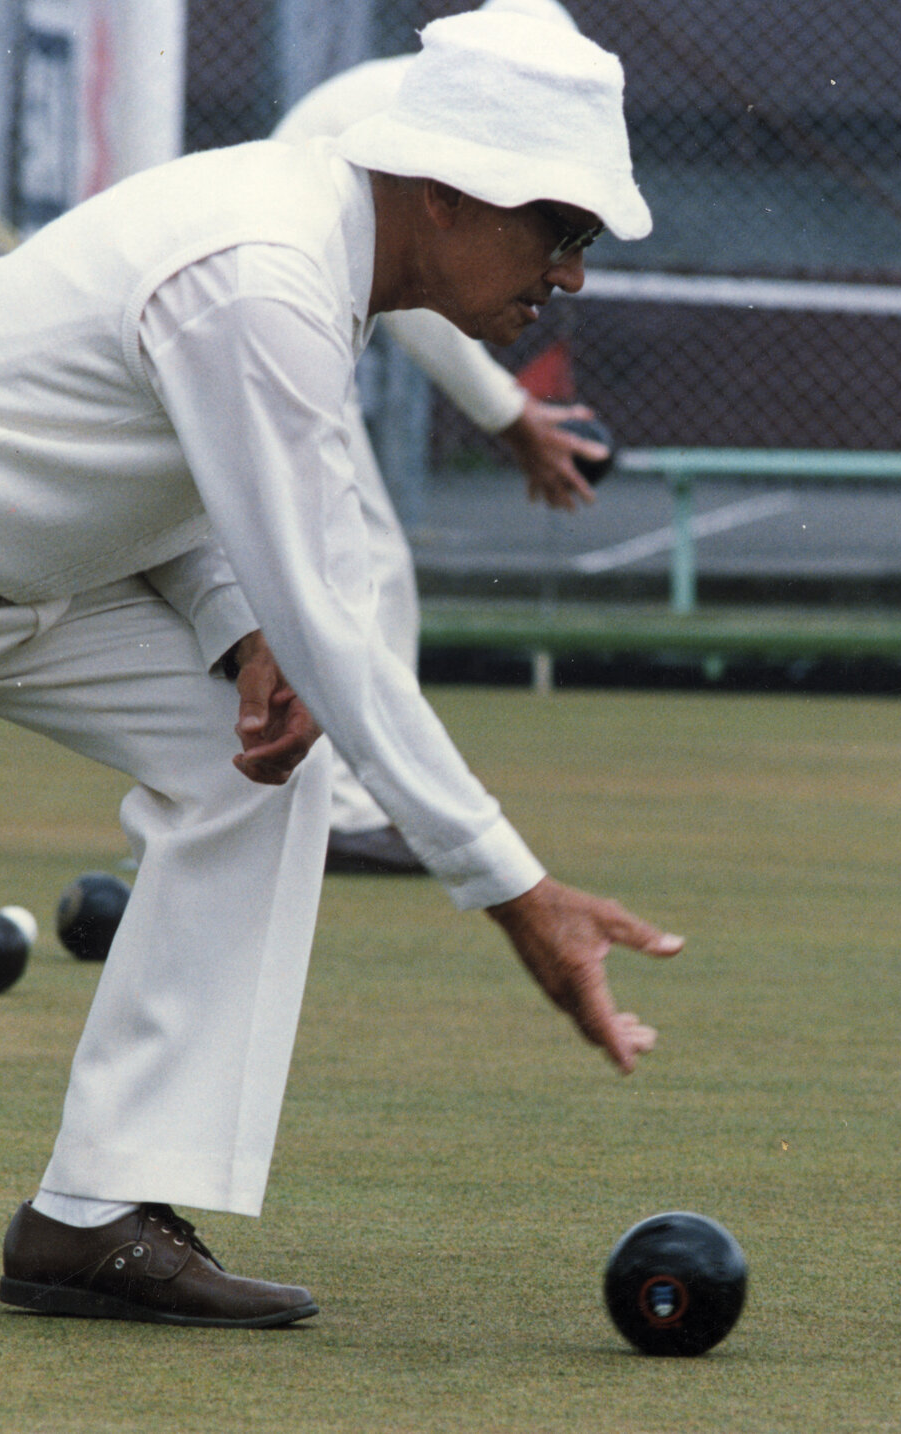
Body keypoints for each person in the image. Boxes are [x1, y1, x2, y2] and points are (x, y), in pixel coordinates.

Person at [0, 13, 679, 1329]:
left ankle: (97, 1212)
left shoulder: (317, 254)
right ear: (444, 189)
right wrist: (515, 887)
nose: (568, 274)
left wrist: (242, 623)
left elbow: (161, 472)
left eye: (586, 242)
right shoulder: (262, 273)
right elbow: (332, 626)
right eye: (557, 229)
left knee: (253, 773)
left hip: (25, 575)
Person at [273, 0, 608, 877]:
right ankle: (348, 811)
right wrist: (507, 414)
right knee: (361, 560)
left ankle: (332, 801)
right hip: (281, 323)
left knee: (342, 559)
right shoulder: (439, 126)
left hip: (294, 320)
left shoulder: (418, 99)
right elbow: (428, 308)